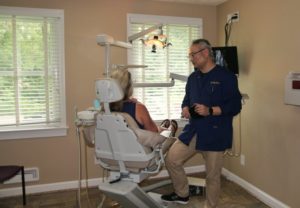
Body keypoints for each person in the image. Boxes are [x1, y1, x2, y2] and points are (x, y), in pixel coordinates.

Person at [161, 39, 242, 207]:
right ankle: (182, 194)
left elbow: (235, 106)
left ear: (205, 53)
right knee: (172, 159)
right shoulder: (193, 77)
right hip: (194, 130)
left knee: (212, 176)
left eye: (193, 54)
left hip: (215, 133)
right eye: (190, 55)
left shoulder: (226, 77)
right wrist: (185, 107)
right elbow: (187, 99)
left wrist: (210, 110)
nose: (191, 58)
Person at [110, 69, 177, 135]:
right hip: (138, 145)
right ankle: (170, 129)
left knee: (159, 129)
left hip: (112, 145)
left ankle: (165, 127)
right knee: (163, 132)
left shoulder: (104, 109)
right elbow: (154, 133)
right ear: (129, 87)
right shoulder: (138, 108)